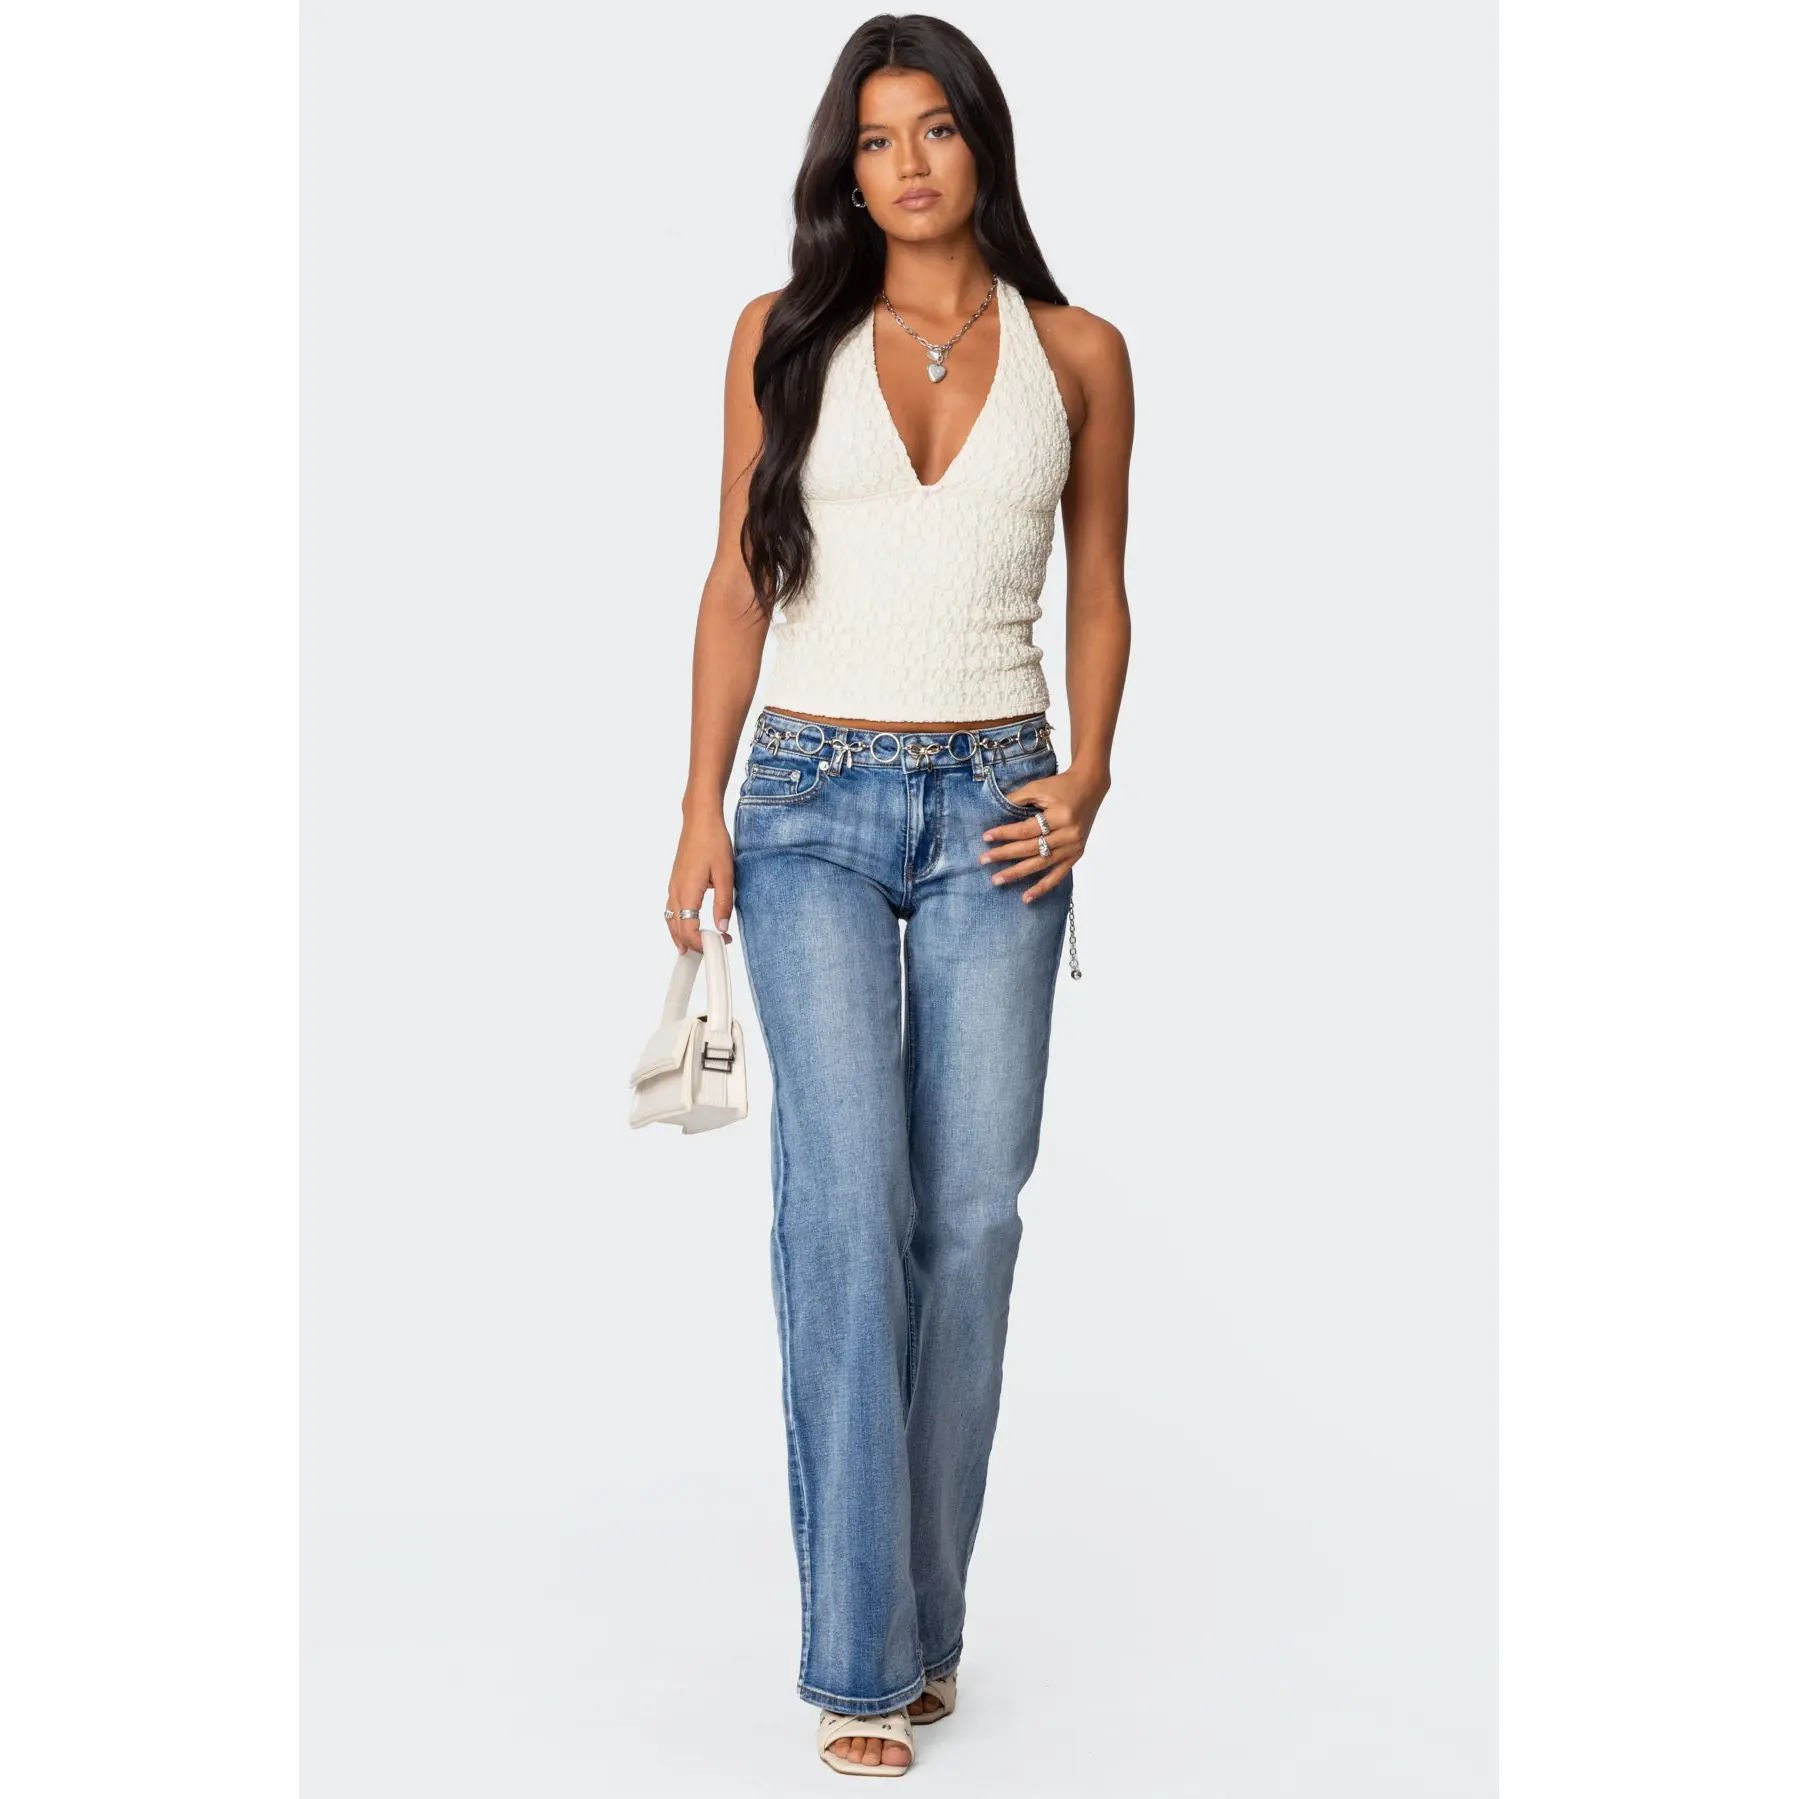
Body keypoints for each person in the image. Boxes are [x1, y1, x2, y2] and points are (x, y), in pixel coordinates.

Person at [663, 14, 1133, 1777]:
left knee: (972, 1223)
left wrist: (1088, 773)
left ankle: (928, 1622)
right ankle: (863, 1655)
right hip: (805, 805)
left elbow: (1100, 584)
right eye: (874, 139)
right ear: (843, 170)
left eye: (934, 129)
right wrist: (697, 807)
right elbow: (735, 581)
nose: (907, 164)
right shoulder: (779, 334)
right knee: (843, 1214)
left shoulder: (1076, 352)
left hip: (1001, 810)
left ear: (980, 147)